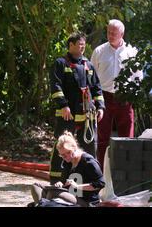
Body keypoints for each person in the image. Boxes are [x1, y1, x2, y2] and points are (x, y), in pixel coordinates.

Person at [49, 33, 105, 183]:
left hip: (88, 116)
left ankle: (89, 182)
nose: (83, 47)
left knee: (89, 149)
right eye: (79, 44)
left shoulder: (89, 65)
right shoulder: (60, 63)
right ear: (71, 45)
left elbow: (96, 88)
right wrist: (63, 105)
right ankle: (56, 182)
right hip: (68, 114)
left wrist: (100, 107)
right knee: (62, 147)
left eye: (84, 44)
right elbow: (55, 86)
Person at [90, 19, 143, 169]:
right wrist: (93, 98)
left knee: (127, 137)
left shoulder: (131, 52)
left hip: (124, 98)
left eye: (114, 33)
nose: (110, 35)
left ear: (122, 34)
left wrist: (134, 96)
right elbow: (90, 76)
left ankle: (127, 171)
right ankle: (99, 172)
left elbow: (138, 76)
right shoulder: (99, 51)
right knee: (102, 138)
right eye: (108, 32)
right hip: (103, 97)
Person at [30, 131, 105, 207]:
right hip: (70, 194)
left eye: (68, 153)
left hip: (87, 202)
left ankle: (42, 205)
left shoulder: (89, 162)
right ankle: (40, 205)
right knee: (36, 185)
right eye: (63, 155)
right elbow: (64, 181)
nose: (66, 157)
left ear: (75, 147)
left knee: (53, 193)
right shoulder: (67, 162)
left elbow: (100, 184)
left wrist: (77, 186)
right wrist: (60, 183)